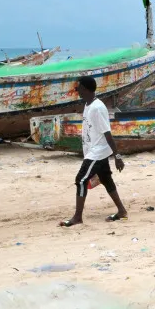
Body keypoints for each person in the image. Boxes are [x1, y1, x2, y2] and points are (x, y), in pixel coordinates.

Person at [59, 75, 127, 227]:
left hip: (97, 152)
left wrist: (117, 156)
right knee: (106, 179)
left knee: (81, 180)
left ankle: (77, 217)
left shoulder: (97, 108)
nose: (77, 91)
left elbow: (107, 132)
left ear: (85, 89)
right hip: (94, 150)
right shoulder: (89, 105)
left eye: (79, 88)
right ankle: (121, 211)